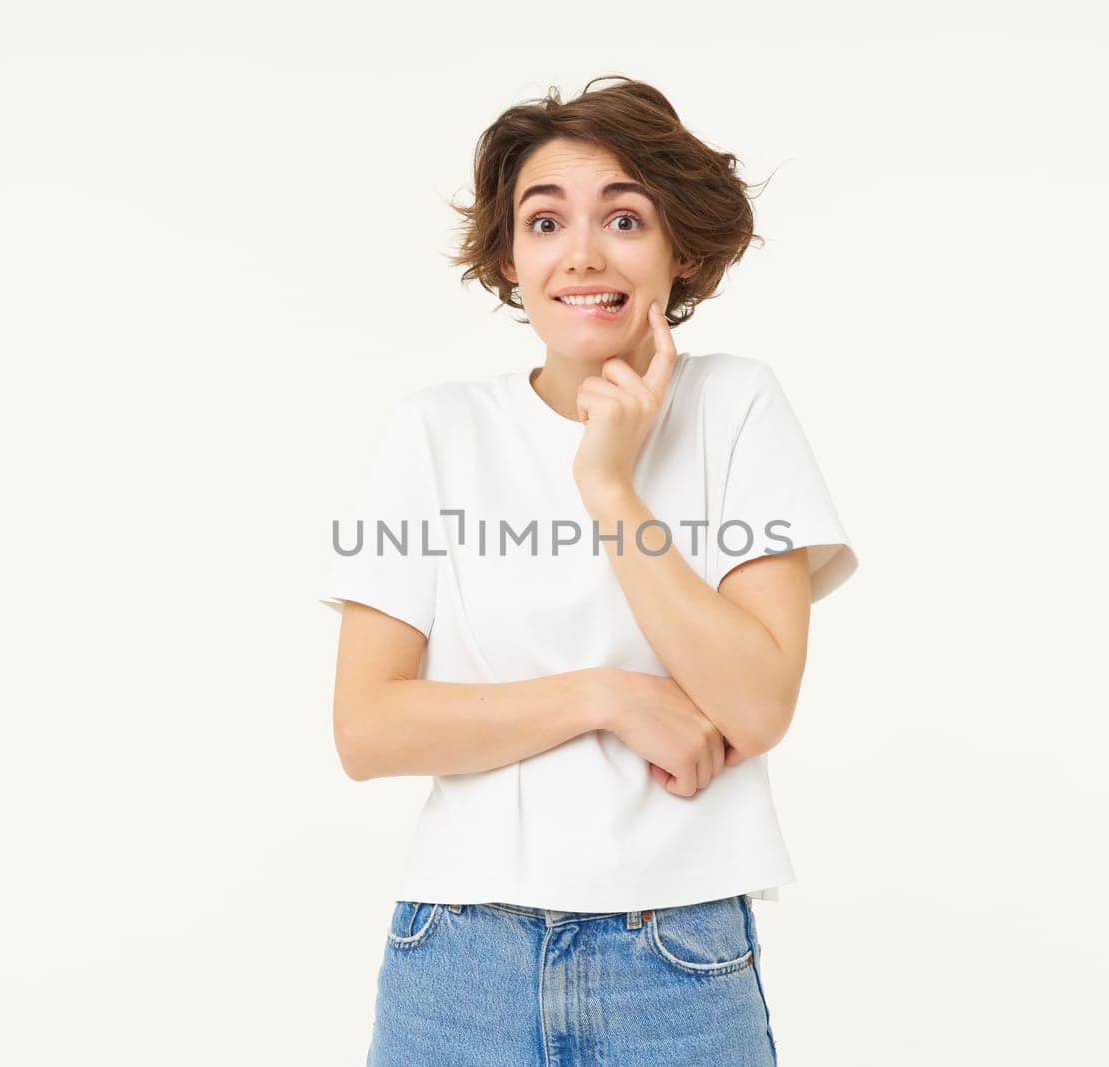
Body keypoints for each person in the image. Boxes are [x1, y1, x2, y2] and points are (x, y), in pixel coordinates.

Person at [320, 75, 859, 1066]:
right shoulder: (435, 430)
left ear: (679, 250)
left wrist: (610, 484)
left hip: (675, 950)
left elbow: (756, 699)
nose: (581, 253)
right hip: (457, 952)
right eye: (544, 221)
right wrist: (607, 696)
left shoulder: (738, 409)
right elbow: (366, 726)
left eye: (623, 217)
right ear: (507, 258)